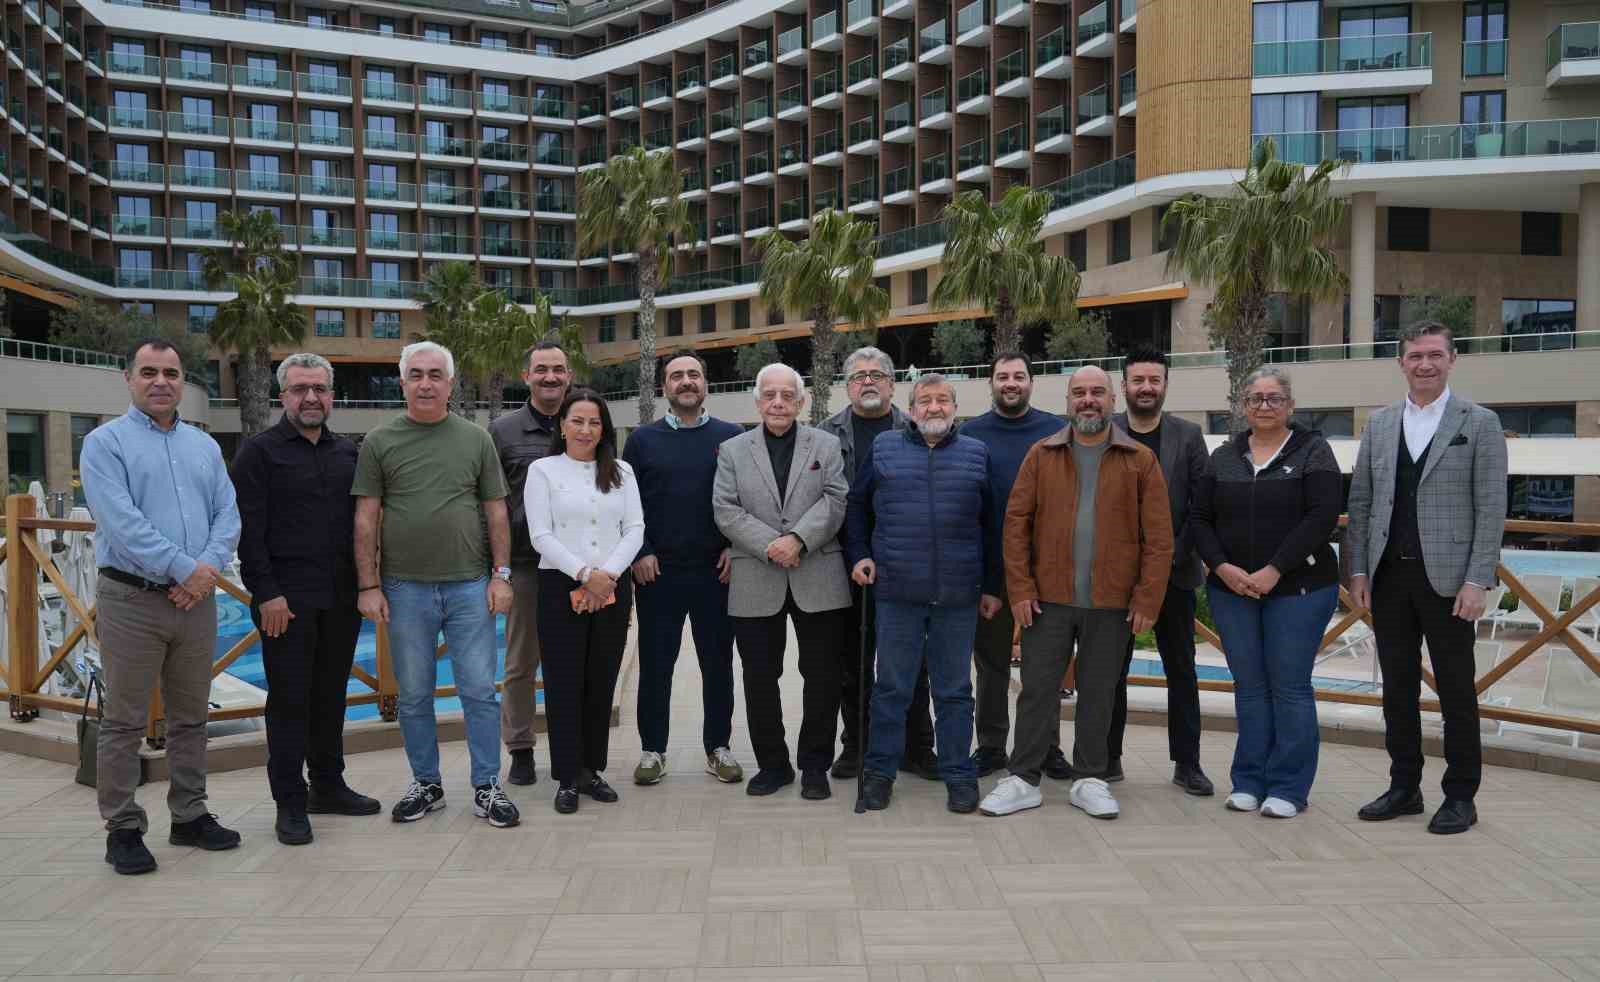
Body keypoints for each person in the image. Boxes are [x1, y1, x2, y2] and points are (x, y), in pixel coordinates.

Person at [980, 365, 1172, 821]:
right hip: (1046, 600)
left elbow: (1160, 538)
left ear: (1112, 400)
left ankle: (1091, 778)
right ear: (1068, 401)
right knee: (1037, 691)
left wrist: (1147, 599)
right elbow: (1015, 527)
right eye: (1080, 393)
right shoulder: (1041, 454)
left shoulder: (1140, 459)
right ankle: (1023, 778)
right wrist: (1020, 589)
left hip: (1113, 603)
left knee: (1100, 690)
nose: (1089, 400)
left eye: (1098, 393)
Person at [81, 337, 243, 875]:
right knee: (124, 721)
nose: (160, 382)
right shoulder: (105, 444)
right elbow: (122, 524)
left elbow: (228, 514)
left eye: (170, 373)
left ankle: (189, 813)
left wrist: (204, 573)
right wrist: (186, 570)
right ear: (129, 379)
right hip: (131, 598)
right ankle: (123, 827)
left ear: (182, 381)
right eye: (148, 371)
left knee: (190, 718)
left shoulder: (204, 447)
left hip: (195, 601)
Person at [1348, 322, 1508, 835]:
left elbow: (1491, 507)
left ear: (1452, 359)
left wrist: (1478, 579)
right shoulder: (1379, 424)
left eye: (1435, 355)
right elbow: (1362, 501)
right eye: (1415, 355)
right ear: (1401, 363)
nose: (1425, 364)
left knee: (1457, 691)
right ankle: (1404, 786)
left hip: (1450, 582)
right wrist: (1358, 570)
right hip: (1389, 577)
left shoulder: (1479, 423)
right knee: (1396, 688)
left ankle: (1462, 795)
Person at [353, 341, 520, 830]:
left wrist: (501, 575)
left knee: (478, 693)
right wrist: (368, 585)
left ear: (450, 383)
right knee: (414, 695)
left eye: (435, 375)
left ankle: (488, 786)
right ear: (402, 382)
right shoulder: (379, 442)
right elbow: (366, 519)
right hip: (404, 589)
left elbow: (496, 512)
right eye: (416, 375)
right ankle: (426, 783)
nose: (426, 383)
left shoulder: (476, 440)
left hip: (471, 587)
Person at [232, 352, 380, 847]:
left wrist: (366, 585)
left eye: (319, 388)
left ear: (331, 395)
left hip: (339, 599)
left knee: (330, 697)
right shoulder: (259, 453)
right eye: (300, 389)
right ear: (283, 396)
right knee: (290, 702)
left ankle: (329, 786)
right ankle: (290, 803)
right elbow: (248, 533)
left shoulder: (348, 453)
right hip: (285, 603)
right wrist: (267, 593)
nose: (311, 397)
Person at [1190, 367, 1342, 820]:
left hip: (1299, 588)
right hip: (1232, 589)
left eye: (1274, 398)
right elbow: (1199, 519)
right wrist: (1223, 567)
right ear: (1243, 406)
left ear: (1290, 406)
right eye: (1255, 399)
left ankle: (1290, 787)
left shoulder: (1314, 450)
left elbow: (1322, 516)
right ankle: (1249, 781)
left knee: (1290, 687)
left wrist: (1276, 569)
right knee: (1250, 688)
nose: (1264, 406)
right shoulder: (1225, 455)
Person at [846, 374, 1000, 814]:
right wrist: (858, 554)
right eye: (925, 401)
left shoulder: (976, 453)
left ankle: (959, 775)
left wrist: (992, 586)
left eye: (942, 400)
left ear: (955, 407)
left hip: (958, 594)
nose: (934, 408)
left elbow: (992, 525)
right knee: (891, 688)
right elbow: (856, 506)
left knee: (953, 691)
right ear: (911, 409)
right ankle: (879, 774)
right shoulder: (884, 449)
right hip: (897, 591)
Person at [712, 363, 850, 800]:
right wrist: (773, 545)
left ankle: (814, 766)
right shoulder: (732, 450)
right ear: (757, 401)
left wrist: (798, 540)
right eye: (769, 395)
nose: (777, 403)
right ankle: (773, 765)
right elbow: (725, 509)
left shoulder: (825, 445)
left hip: (818, 573)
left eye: (786, 396)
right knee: (758, 677)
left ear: (800, 402)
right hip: (756, 575)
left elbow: (836, 498)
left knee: (823, 677)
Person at [623, 351, 745, 786]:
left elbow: (743, 501)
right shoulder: (641, 441)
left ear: (706, 383)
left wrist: (737, 548)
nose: (686, 381)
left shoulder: (732, 437)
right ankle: (653, 750)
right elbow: (628, 504)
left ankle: (719, 747)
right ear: (664, 388)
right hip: (658, 574)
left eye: (694, 374)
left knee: (718, 665)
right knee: (656, 666)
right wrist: (640, 551)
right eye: (677, 376)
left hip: (718, 572)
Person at [818, 346, 937, 781]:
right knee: (852, 662)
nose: (867, 381)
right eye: (857, 376)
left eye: (877, 374)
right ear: (847, 387)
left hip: (908, 564)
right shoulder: (825, 435)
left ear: (892, 384)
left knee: (914, 662)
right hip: (844, 564)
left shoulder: (918, 429)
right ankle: (857, 745)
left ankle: (917, 745)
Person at [524, 388, 645, 813]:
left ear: (604, 429)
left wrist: (607, 576)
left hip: (612, 586)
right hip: (561, 587)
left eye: (594, 422)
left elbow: (635, 529)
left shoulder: (622, 471)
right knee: (563, 683)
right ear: (562, 425)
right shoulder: (542, 470)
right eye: (577, 420)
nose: (585, 429)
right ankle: (567, 776)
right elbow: (541, 534)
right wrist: (584, 575)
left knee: (600, 681)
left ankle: (592, 769)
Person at [958, 352, 1073, 782]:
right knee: (990, 666)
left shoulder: (1055, 432)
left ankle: (1046, 747)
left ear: (1031, 382)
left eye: (1019, 376)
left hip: (1045, 573)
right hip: (990, 574)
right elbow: (970, 511)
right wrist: (986, 580)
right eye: (1002, 376)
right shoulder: (971, 435)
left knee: (1046, 665)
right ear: (991, 383)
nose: (1011, 383)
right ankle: (990, 747)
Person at [1109, 347, 1214, 796]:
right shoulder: (1102, 430)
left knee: (1182, 671)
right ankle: (1105, 757)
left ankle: (1187, 763)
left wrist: (1166, 558)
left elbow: (1199, 505)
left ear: (1165, 385)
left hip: (1174, 573)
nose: (1146, 388)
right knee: (1109, 670)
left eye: (1154, 380)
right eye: (1138, 380)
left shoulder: (1188, 436)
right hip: (1113, 579)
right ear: (1125, 386)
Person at [489, 340, 572, 786]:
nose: (550, 377)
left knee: (572, 662)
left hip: (576, 566)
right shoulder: (502, 432)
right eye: (541, 369)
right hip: (525, 563)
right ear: (527, 376)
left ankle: (573, 748)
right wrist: (496, 569)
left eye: (558, 369)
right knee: (521, 663)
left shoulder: (584, 421)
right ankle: (520, 749)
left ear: (569, 376)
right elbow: (492, 503)